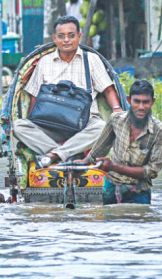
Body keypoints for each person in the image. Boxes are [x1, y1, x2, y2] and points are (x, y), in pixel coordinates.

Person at [12, 15, 122, 168]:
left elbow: (109, 90)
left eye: (71, 35)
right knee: (18, 126)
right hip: (50, 125)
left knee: (103, 128)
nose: (66, 40)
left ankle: (53, 156)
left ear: (79, 36)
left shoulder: (91, 59)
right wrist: (32, 123)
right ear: (54, 38)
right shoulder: (44, 62)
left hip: (85, 124)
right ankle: (64, 154)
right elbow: (34, 97)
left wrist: (117, 110)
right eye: (61, 36)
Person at [77, 79, 162, 205]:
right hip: (111, 187)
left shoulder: (160, 131)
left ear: (152, 102)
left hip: (138, 191)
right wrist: (83, 164)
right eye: (137, 102)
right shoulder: (116, 120)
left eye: (146, 102)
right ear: (129, 100)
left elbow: (151, 171)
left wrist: (114, 167)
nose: (141, 107)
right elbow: (99, 150)